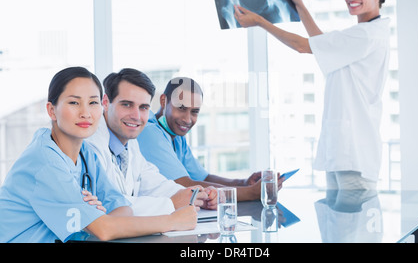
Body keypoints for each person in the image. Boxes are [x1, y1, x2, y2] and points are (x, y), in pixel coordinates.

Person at [234, 0, 390, 190]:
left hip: (354, 154)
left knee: (348, 223)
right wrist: (300, 5)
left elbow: (303, 46)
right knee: (338, 222)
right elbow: (320, 44)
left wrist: (260, 21)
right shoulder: (363, 35)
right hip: (345, 151)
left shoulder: (365, 35)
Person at [0, 67, 197, 243]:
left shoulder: (85, 154)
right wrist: (172, 221)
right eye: (74, 103)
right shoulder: (45, 162)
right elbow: (103, 230)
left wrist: (97, 218)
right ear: (52, 110)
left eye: (93, 103)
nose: (86, 113)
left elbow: (123, 209)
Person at [85, 68, 217, 216]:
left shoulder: (130, 144)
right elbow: (108, 204)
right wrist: (171, 204)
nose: (136, 116)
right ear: (106, 102)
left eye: (143, 107)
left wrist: (193, 196)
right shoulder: (89, 144)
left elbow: (153, 183)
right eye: (127, 104)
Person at [138, 77, 282, 201]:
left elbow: (204, 177)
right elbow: (185, 185)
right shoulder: (149, 132)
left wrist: (244, 183)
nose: (187, 119)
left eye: (194, 112)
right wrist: (252, 193)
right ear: (164, 101)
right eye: (181, 108)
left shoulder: (176, 136)